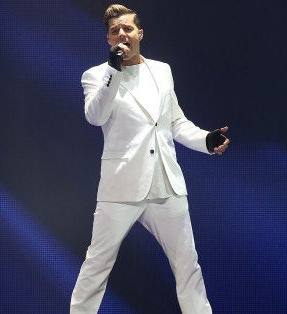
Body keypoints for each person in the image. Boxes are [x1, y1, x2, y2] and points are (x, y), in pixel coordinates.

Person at [70, 4, 229, 314]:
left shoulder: (162, 70)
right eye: (115, 31)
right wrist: (113, 70)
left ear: (140, 33)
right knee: (97, 264)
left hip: (165, 183)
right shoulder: (96, 75)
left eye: (127, 29)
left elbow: (175, 123)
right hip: (122, 185)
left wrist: (206, 140)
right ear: (108, 39)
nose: (122, 34)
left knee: (187, 265)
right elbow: (95, 116)